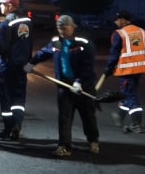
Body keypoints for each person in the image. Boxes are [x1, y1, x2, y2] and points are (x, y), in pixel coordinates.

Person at [28, 14, 100, 157]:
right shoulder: (58, 42)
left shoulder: (82, 42)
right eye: (59, 28)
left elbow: (88, 65)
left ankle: (93, 141)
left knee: (87, 116)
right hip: (64, 84)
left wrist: (79, 81)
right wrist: (31, 63)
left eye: (64, 28)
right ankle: (64, 146)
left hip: (83, 86)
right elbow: (44, 53)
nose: (61, 31)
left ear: (72, 26)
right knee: (64, 117)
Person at [0, 0, 32, 139]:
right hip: (22, 66)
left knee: (6, 98)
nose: (0, 6)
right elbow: (29, 44)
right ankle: (17, 124)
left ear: (9, 6)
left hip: (8, 66)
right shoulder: (27, 21)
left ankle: (8, 128)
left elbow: (3, 47)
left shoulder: (6, 23)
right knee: (19, 98)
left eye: (2, 4)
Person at [105, 10, 145, 133]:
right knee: (127, 93)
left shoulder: (120, 33)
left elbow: (114, 53)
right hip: (138, 68)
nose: (115, 22)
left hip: (127, 69)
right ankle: (120, 116)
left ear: (123, 20)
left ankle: (136, 124)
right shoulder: (140, 31)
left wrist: (109, 68)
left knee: (130, 96)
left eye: (117, 20)